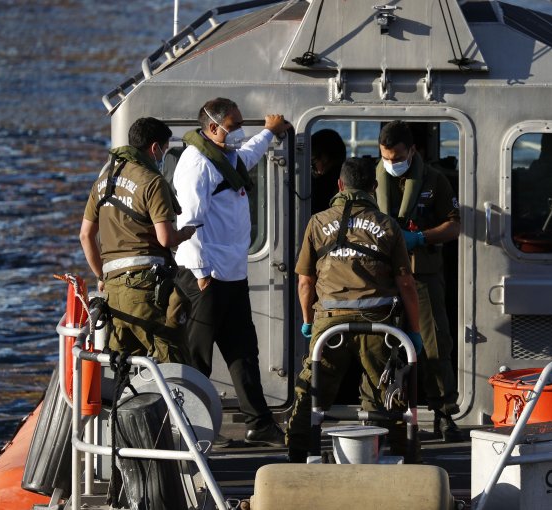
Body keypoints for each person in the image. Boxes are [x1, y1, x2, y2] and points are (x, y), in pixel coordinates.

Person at [286, 157, 423, 463]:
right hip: (380, 325)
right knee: (387, 395)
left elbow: (305, 283)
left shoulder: (317, 223)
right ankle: (399, 461)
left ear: (340, 185)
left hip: (329, 325)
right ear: (374, 188)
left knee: (312, 392)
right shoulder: (387, 225)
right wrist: (414, 332)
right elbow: (407, 285)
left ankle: (296, 459)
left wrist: (309, 322)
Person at [171, 97, 290, 446]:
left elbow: (248, 157)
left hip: (231, 273)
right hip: (205, 276)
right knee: (198, 357)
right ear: (213, 127)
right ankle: (190, 428)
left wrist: (268, 133)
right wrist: (201, 272)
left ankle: (260, 422)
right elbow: (188, 222)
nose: (238, 131)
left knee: (243, 351)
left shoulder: (224, 156)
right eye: (234, 125)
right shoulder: (197, 164)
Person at [79, 117, 197, 363]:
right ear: (155, 148)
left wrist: (101, 276)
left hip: (113, 291)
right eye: (164, 150)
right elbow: (165, 239)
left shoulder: (102, 182)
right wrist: (184, 234)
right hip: (148, 291)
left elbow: (85, 236)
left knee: (125, 367)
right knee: (173, 364)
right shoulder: (152, 181)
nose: (164, 156)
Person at [374, 120, 464, 442]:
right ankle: (385, 412)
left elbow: (454, 226)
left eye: (397, 156)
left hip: (422, 275)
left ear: (412, 151)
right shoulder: (373, 180)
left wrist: (420, 237)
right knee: (382, 346)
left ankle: (443, 414)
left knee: (435, 344)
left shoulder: (435, 181)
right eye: (386, 157)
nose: (392, 163)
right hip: (381, 277)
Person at [309, 128, 347, 212]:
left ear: (327, 157)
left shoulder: (342, 182)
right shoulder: (311, 180)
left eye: (313, 161)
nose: (311, 167)